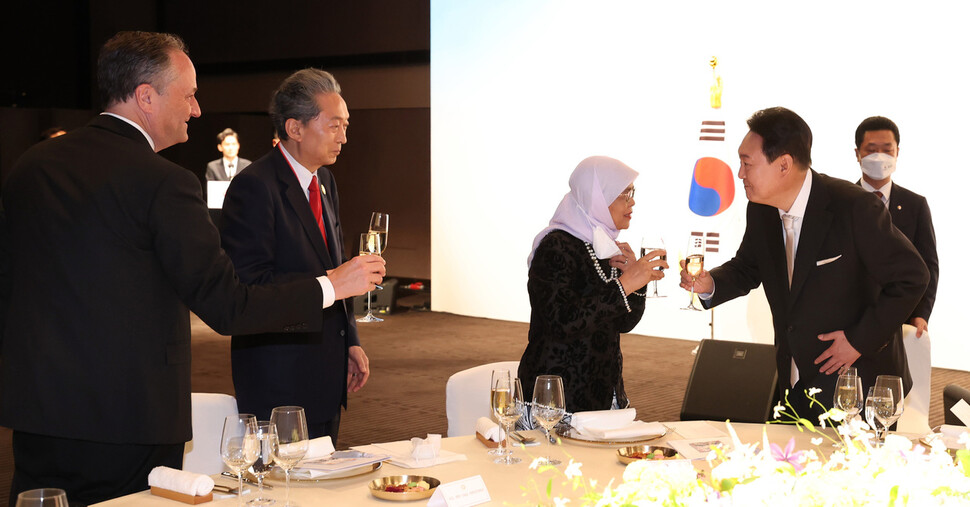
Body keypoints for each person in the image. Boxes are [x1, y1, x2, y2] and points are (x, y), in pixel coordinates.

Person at [0, 31, 384, 505]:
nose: (197, 109)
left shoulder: (31, 168)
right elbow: (229, 304)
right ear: (145, 97)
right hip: (129, 421)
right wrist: (331, 285)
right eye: (188, 95)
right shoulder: (165, 184)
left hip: (38, 414)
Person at [679, 107, 928, 418]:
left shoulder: (853, 207)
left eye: (746, 163)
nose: (740, 174)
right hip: (794, 381)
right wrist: (710, 283)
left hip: (857, 383)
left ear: (784, 164)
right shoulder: (760, 209)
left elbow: (912, 276)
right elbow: (747, 267)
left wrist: (858, 341)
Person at [219, 69, 367, 443]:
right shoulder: (254, 186)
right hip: (279, 381)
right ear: (295, 129)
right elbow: (250, 288)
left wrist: (349, 339)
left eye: (346, 126)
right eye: (334, 126)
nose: (345, 138)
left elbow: (331, 266)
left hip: (326, 375)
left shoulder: (324, 180)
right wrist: (331, 284)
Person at [518, 156, 667, 413]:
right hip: (558, 397)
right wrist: (625, 284)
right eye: (624, 194)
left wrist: (637, 284)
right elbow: (561, 323)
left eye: (632, 193)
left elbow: (622, 323)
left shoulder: (602, 244)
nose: (632, 202)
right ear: (597, 198)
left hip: (601, 390)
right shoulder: (556, 246)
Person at [854, 116, 938, 338]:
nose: (879, 156)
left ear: (897, 153)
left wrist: (921, 314)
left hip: (901, 319)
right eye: (871, 149)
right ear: (857, 154)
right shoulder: (842, 201)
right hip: (851, 319)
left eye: (887, 149)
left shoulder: (915, 205)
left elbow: (928, 264)